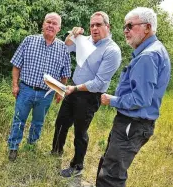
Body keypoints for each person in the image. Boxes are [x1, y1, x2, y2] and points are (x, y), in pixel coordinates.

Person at [80, 7, 171, 187]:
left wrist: (112, 100)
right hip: (129, 121)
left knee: (112, 173)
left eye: (130, 26)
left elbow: (141, 99)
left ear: (147, 28)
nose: (126, 31)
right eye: (124, 27)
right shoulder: (150, 51)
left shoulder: (148, 56)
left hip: (134, 122)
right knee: (109, 159)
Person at [51, 11, 122, 177]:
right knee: (61, 123)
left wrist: (74, 89)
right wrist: (72, 34)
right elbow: (66, 47)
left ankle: (77, 166)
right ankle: (56, 151)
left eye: (98, 25)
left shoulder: (112, 51)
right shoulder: (86, 40)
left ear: (108, 27)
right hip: (73, 89)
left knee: (80, 131)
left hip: (89, 96)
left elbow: (98, 82)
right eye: (92, 25)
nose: (94, 28)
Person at [7, 12, 71, 161]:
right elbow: (16, 65)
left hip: (46, 94)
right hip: (25, 90)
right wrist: (15, 85)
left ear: (59, 28)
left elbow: (65, 74)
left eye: (54, 24)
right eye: (48, 22)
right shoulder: (29, 40)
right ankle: (13, 147)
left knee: (38, 122)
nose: (50, 25)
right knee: (18, 119)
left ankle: (31, 145)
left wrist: (60, 91)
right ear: (43, 24)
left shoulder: (63, 49)